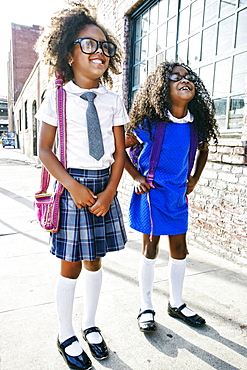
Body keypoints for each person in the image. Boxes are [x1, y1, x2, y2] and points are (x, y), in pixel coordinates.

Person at [35, 3, 128, 369]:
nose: (99, 52)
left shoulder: (112, 100)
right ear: (68, 53)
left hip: (104, 187)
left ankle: (90, 326)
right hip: (73, 185)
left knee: (94, 261)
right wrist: (72, 186)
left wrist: (109, 193)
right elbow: (44, 150)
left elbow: (120, 153)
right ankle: (66, 332)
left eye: (104, 47)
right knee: (70, 265)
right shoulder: (56, 98)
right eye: (88, 45)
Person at [125, 61, 218, 333]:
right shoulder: (150, 123)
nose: (183, 80)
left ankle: (175, 303)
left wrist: (194, 179)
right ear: (162, 88)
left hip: (177, 197)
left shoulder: (194, 125)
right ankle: (145, 306)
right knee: (150, 249)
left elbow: (203, 150)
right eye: (174, 77)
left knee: (180, 250)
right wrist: (136, 176)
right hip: (152, 195)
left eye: (187, 77)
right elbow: (119, 147)